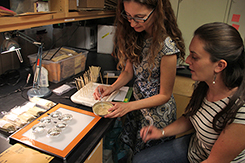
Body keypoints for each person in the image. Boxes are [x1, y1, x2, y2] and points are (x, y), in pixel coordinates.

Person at [133, 22, 245, 163]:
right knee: (140, 160)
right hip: (195, 148)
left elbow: (214, 161)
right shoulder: (203, 84)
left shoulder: (241, 112)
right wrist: (161, 132)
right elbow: (190, 118)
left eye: (195, 57)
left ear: (220, 65)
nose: (187, 60)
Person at [93, 0, 185, 154]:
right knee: (133, 153)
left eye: (139, 17)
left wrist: (127, 107)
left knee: (147, 157)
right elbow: (129, 72)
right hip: (137, 109)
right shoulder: (137, 36)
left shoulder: (167, 46)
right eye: (128, 16)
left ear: (157, 11)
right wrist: (111, 87)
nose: (132, 23)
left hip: (157, 116)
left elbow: (164, 95)